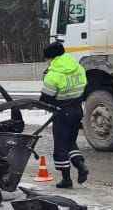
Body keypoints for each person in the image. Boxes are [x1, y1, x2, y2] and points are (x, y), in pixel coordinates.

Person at [38, 42, 89, 189]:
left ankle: (66, 179)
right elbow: (84, 88)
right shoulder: (79, 68)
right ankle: (80, 165)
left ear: (51, 58)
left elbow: (45, 98)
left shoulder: (53, 74)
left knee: (60, 145)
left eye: (47, 58)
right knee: (71, 142)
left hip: (62, 113)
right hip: (77, 110)